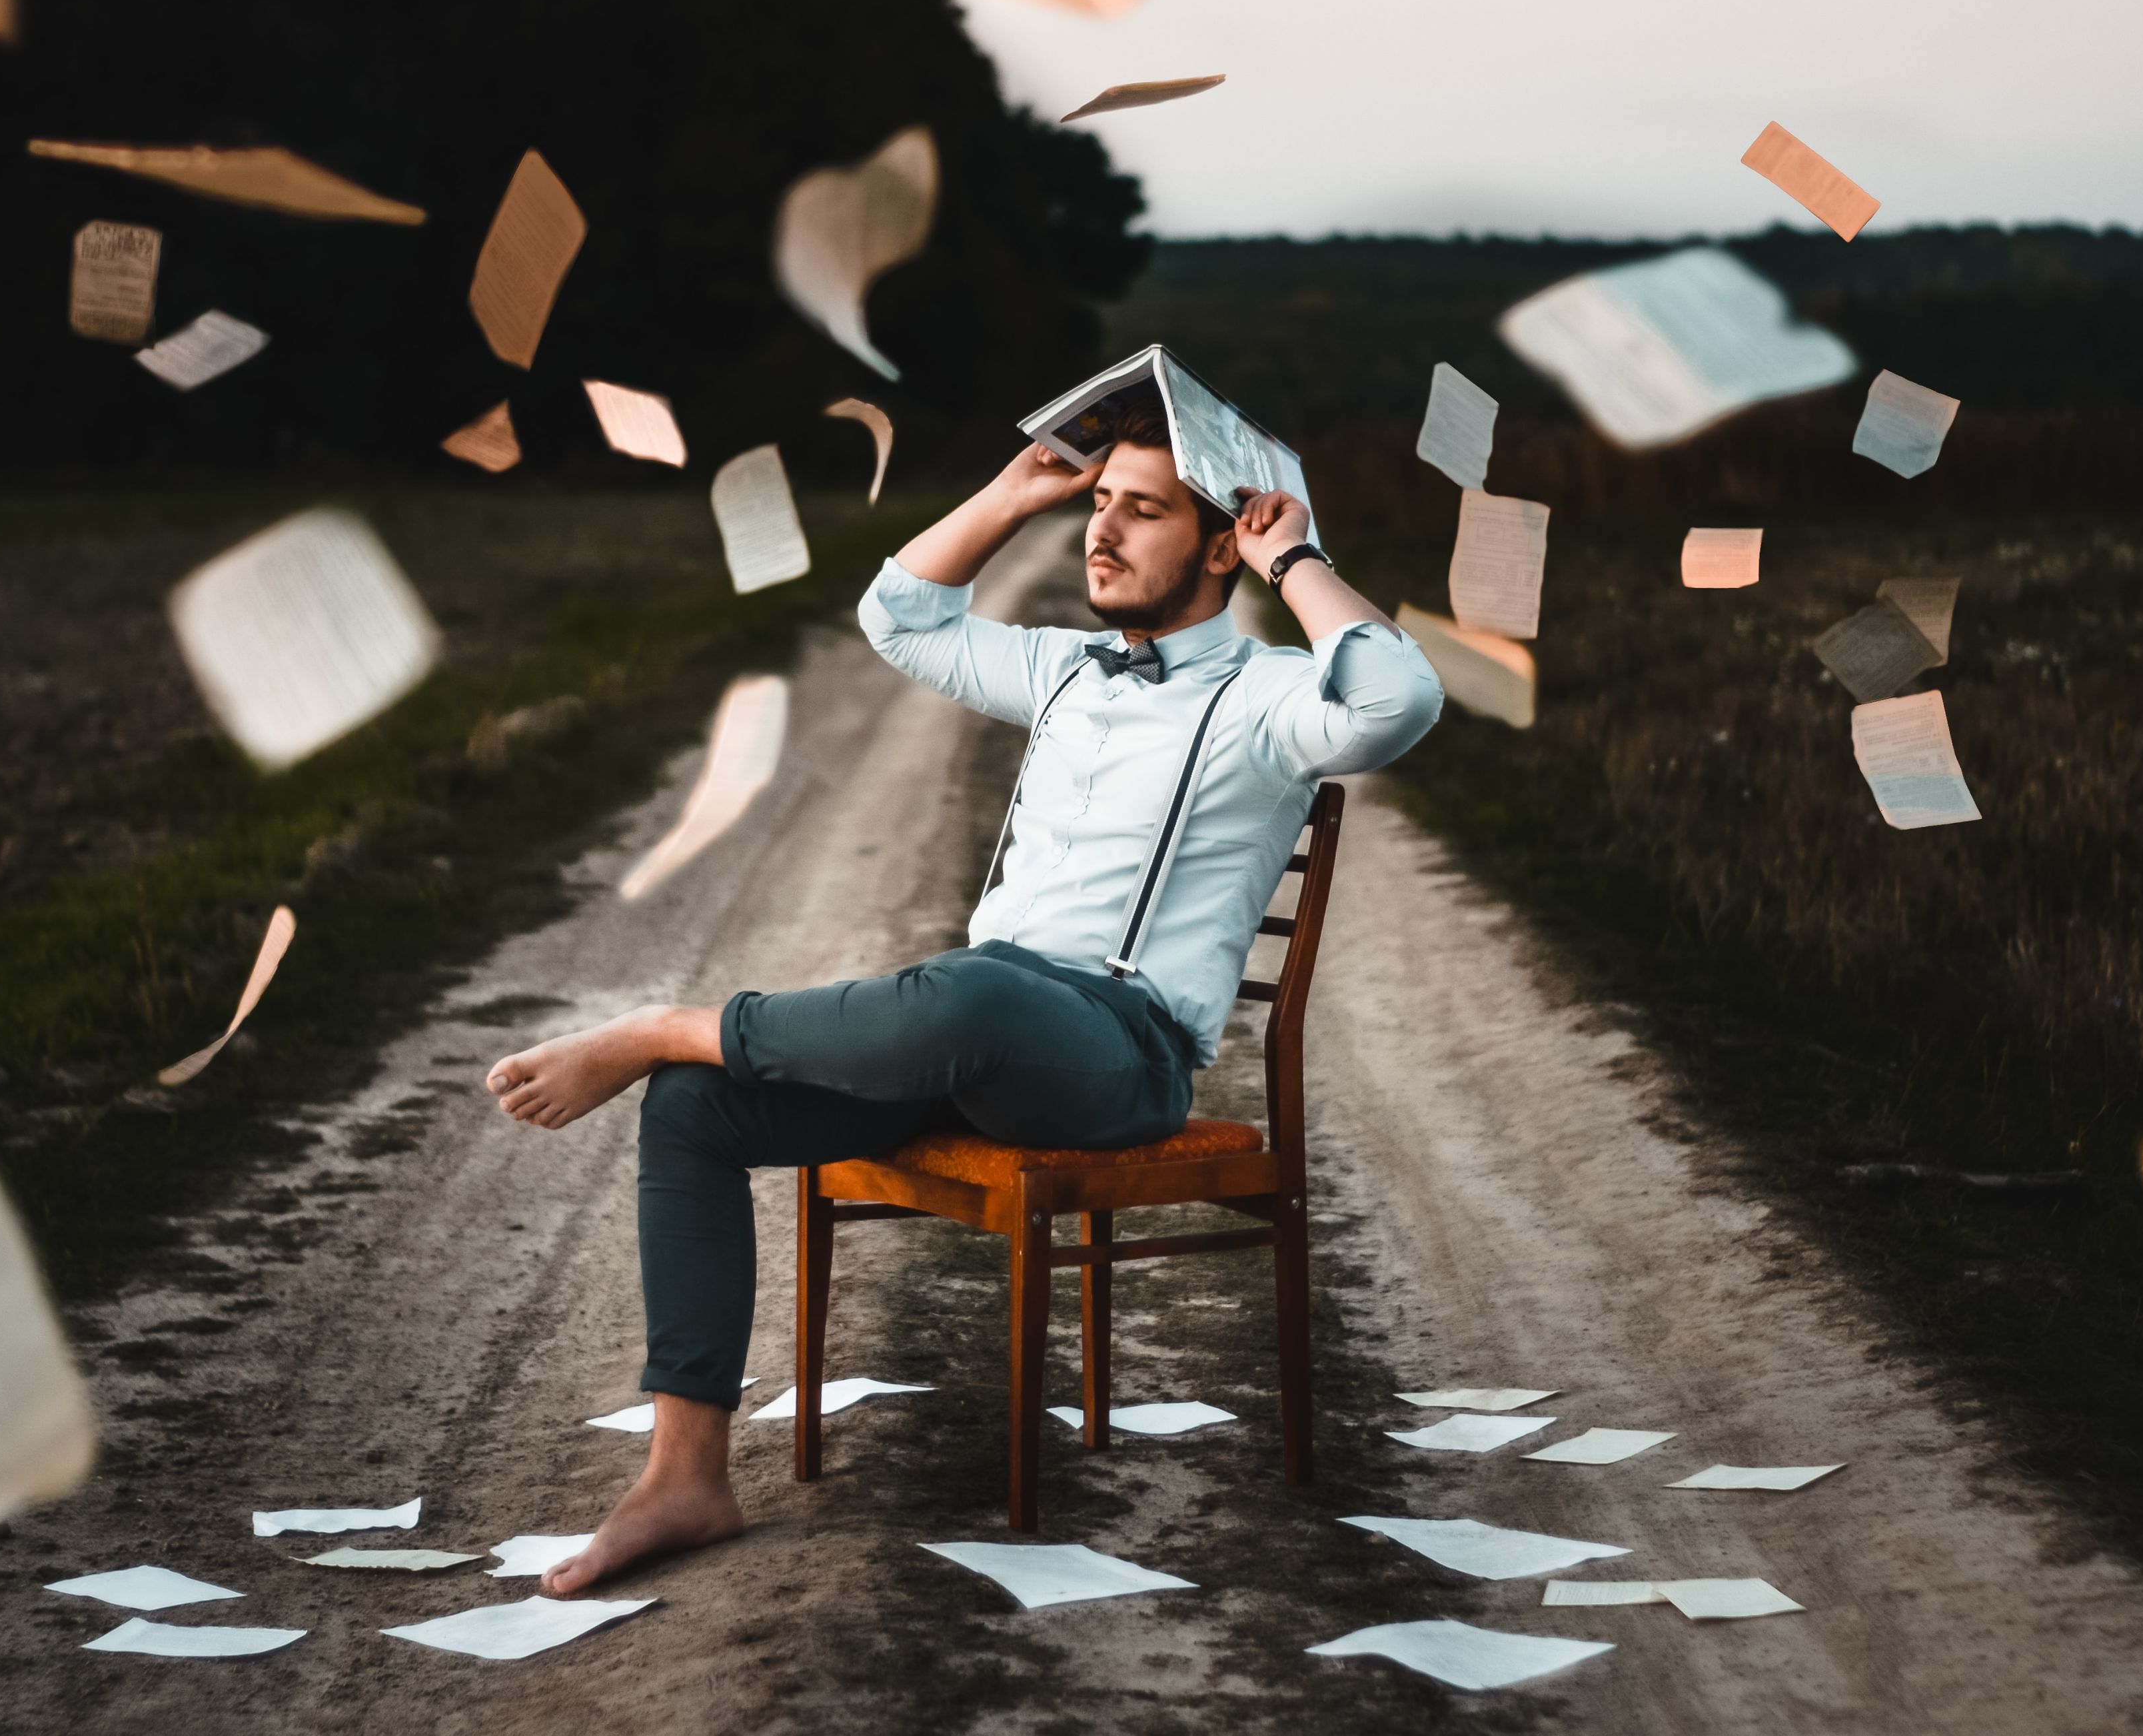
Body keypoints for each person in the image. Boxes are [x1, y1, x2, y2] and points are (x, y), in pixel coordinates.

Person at [483, 395, 1443, 1595]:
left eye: (1141, 512)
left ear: (1220, 543)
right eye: (1100, 504)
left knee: (960, 1000)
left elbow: (1399, 701)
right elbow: (899, 617)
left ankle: (668, 1024)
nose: (1104, 533)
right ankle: (686, 1478)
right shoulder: (1062, 668)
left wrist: (1294, 556)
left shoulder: (1270, 697)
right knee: (695, 1108)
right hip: (978, 1031)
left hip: (1116, 1054)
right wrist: (1013, 494)